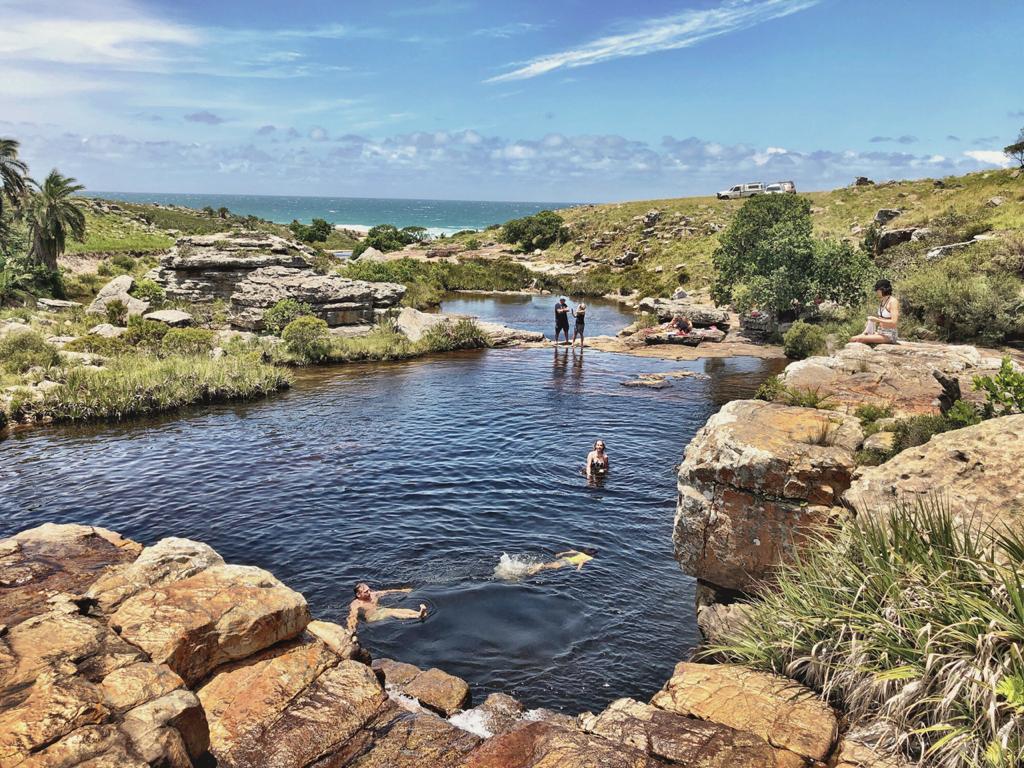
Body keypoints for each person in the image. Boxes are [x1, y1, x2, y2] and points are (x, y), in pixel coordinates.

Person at [347, 582, 427, 630]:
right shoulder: (356, 603)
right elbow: (352, 616)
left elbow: (387, 591)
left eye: (369, 590)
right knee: (391, 613)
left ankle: (418, 613)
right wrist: (351, 628)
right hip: (372, 618)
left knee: (396, 610)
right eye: (366, 592)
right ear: (358, 594)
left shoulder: (373, 595)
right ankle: (418, 616)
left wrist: (403, 591)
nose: (369, 592)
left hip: (381, 611)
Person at [850, 279, 900, 345]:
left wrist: (877, 320)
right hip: (880, 332)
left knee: (857, 339)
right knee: (853, 338)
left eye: (877, 290)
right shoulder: (883, 301)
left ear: (883, 289)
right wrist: (871, 321)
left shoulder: (893, 302)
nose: (876, 292)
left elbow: (894, 322)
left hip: (889, 335)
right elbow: (882, 318)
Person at [525, 548, 596, 575]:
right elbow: (582, 561)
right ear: (593, 554)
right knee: (553, 567)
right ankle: (541, 565)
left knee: (552, 565)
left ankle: (532, 568)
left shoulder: (581, 553)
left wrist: (561, 553)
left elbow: (571, 551)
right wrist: (578, 569)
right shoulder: (589, 558)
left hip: (566, 558)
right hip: (567, 562)